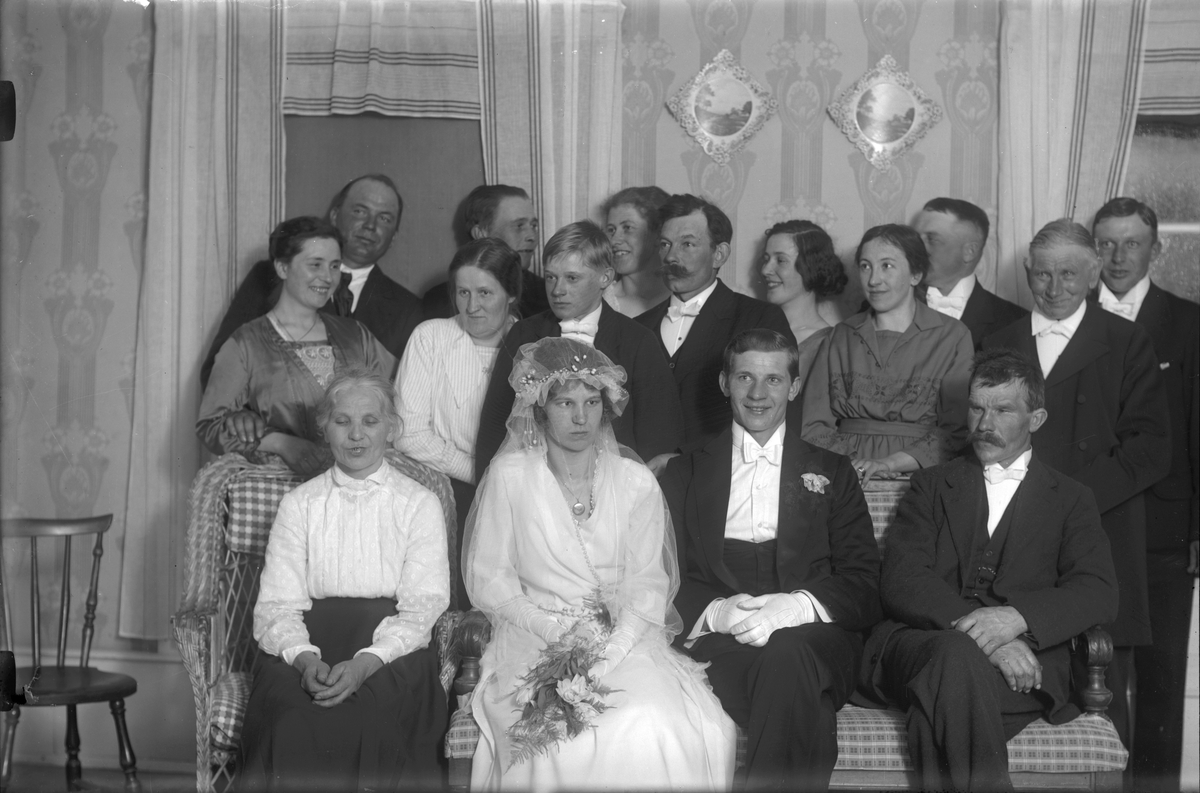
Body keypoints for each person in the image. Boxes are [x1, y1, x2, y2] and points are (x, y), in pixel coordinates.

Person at [463, 338, 737, 792]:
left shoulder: (635, 481)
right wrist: (551, 630)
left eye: (592, 403)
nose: (580, 418)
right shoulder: (510, 477)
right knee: (557, 739)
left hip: (623, 640)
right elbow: (490, 578)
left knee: (653, 720)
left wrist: (614, 649)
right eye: (565, 403)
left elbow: (648, 582)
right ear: (540, 409)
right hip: (535, 638)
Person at [860, 348, 1118, 792]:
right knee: (955, 657)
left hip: (1025, 663)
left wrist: (1016, 618)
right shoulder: (931, 485)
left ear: (1036, 418)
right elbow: (903, 579)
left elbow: (1098, 590)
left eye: (1003, 410)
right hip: (921, 645)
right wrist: (989, 638)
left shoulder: (1071, 498)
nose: (984, 423)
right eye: (977, 408)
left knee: (933, 711)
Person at [662, 329, 881, 791]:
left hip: (819, 639)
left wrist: (798, 606)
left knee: (788, 653)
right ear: (725, 383)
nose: (758, 394)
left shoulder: (835, 471)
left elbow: (864, 583)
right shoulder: (685, 472)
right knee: (802, 697)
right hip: (724, 646)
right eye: (745, 377)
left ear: (794, 387)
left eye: (774, 380)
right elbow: (662, 574)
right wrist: (715, 612)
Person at [983, 218, 1171, 751]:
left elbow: (1150, 449)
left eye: (1069, 274)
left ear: (1093, 275)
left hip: (1100, 530)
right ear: (1027, 272)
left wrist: (1067, 504)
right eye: (1043, 274)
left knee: (1102, 691)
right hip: (1013, 529)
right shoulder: (998, 341)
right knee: (1015, 682)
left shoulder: (1127, 340)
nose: (1055, 287)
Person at [238, 368, 450, 791]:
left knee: (365, 719)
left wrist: (366, 663)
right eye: (342, 421)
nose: (356, 434)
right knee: (291, 719)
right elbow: (277, 606)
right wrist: (304, 659)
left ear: (391, 428)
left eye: (370, 421)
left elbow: (422, 607)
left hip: (392, 651)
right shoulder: (300, 504)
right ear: (324, 428)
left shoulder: (418, 504)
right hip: (305, 647)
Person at [1092, 197, 1198, 792]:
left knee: (1160, 682)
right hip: (1091, 524)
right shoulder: (1069, 315)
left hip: (1163, 529)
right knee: (1092, 680)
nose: (1117, 256)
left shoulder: (1188, 322)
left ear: (1155, 249)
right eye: (1105, 243)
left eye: (1131, 243)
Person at [475, 221, 684, 481]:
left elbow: (659, 438)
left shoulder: (638, 342)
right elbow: (494, 427)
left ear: (605, 277)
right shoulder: (524, 334)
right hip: (535, 484)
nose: (557, 290)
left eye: (572, 278)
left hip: (614, 485)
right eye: (551, 277)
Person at [197, 217, 394, 478]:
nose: (327, 277)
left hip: (360, 482)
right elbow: (210, 426)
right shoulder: (246, 344)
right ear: (282, 268)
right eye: (315, 264)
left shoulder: (356, 335)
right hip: (282, 487)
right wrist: (280, 443)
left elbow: (396, 399)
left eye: (335, 266)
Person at [200, 174, 421, 387]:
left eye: (384, 218)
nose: (370, 225)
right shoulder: (269, 276)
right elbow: (218, 373)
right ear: (334, 216)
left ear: (394, 236)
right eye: (359, 211)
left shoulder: (408, 309)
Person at [395, 237, 522, 610]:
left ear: (511, 294)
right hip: (449, 490)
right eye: (463, 292)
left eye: (485, 293)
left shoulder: (532, 343)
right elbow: (408, 433)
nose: (471, 306)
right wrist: (478, 473)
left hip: (518, 493)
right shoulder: (431, 337)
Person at [801, 224, 974, 486]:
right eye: (865, 266)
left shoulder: (953, 336)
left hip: (924, 478)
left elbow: (956, 429)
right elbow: (812, 426)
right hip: (846, 476)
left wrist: (889, 464)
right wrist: (855, 465)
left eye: (887, 266)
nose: (873, 280)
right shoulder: (840, 336)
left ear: (915, 274)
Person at [635, 194, 795, 447]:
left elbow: (778, 413)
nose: (671, 257)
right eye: (665, 244)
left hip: (724, 468)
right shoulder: (637, 327)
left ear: (719, 254)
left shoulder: (759, 317)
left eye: (687, 244)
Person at [423, 184, 550, 321]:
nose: (532, 236)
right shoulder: (439, 301)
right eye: (519, 226)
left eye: (533, 226)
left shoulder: (547, 295)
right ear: (481, 234)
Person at [914, 197, 1027, 349]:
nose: (916, 248)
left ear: (970, 252)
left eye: (932, 239)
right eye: (916, 238)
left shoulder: (1016, 323)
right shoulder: (890, 308)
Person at [759, 219, 847, 381]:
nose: (765, 270)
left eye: (780, 260)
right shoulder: (754, 329)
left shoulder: (829, 345)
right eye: (766, 259)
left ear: (811, 267)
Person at [601, 186, 672, 316]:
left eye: (627, 228)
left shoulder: (683, 299)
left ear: (659, 233)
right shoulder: (598, 304)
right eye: (611, 230)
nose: (613, 241)